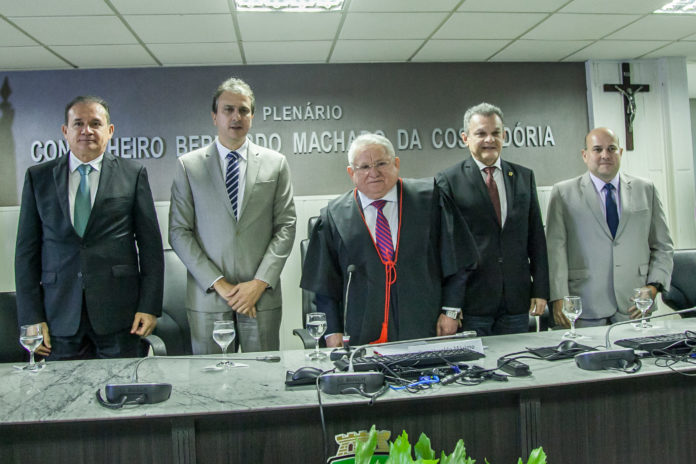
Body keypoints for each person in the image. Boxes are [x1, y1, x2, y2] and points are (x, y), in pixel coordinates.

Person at [15, 95, 164, 360]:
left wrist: (149, 306)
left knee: (122, 392)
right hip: (58, 316)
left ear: (110, 131)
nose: (87, 130)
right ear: (65, 131)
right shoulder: (38, 178)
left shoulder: (133, 173)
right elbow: (26, 252)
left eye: (95, 123)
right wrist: (31, 317)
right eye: (78, 123)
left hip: (120, 315)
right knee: (64, 397)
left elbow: (151, 246)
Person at [300, 133, 478, 347]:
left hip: (425, 323)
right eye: (364, 167)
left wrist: (450, 310)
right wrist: (332, 331)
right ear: (351, 173)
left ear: (396, 164)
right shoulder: (334, 217)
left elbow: (459, 260)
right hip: (361, 331)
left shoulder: (430, 199)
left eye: (381, 163)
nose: (373, 173)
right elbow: (324, 283)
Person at [169, 77, 296, 354]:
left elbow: (286, 226)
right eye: (228, 109)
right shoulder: (189, 167)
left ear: (252, 116)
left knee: (264, 384)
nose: (236, 117)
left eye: (243, 110)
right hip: (209, 297)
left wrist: (259, 283)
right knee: (211, 385)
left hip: (260, 297)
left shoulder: (276, 164)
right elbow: (179, 232)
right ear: (215, 116)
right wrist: (220, 284)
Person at [436, 102, 549, 336]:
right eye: (481, 133)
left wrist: (540, 289)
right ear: (465, 138)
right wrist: (451, 305)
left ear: (504, 135)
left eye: (495, 133)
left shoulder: (523, 177)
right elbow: (447, 248)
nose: (489, 139)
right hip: (472, 302)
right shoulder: (448, 181)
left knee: (518, 366)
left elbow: (536, 237)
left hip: (516, 301)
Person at [546, 127, 673, 327]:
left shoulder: (645, 189)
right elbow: (555, 251)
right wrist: (559, 296)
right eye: (597, 149)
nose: (605, 155)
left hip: (635, 305)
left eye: (611, 148)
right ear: (585, 155)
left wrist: (654, 286)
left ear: (620, 152)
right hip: (584, 305)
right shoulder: (563, 193)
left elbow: (663, 245)